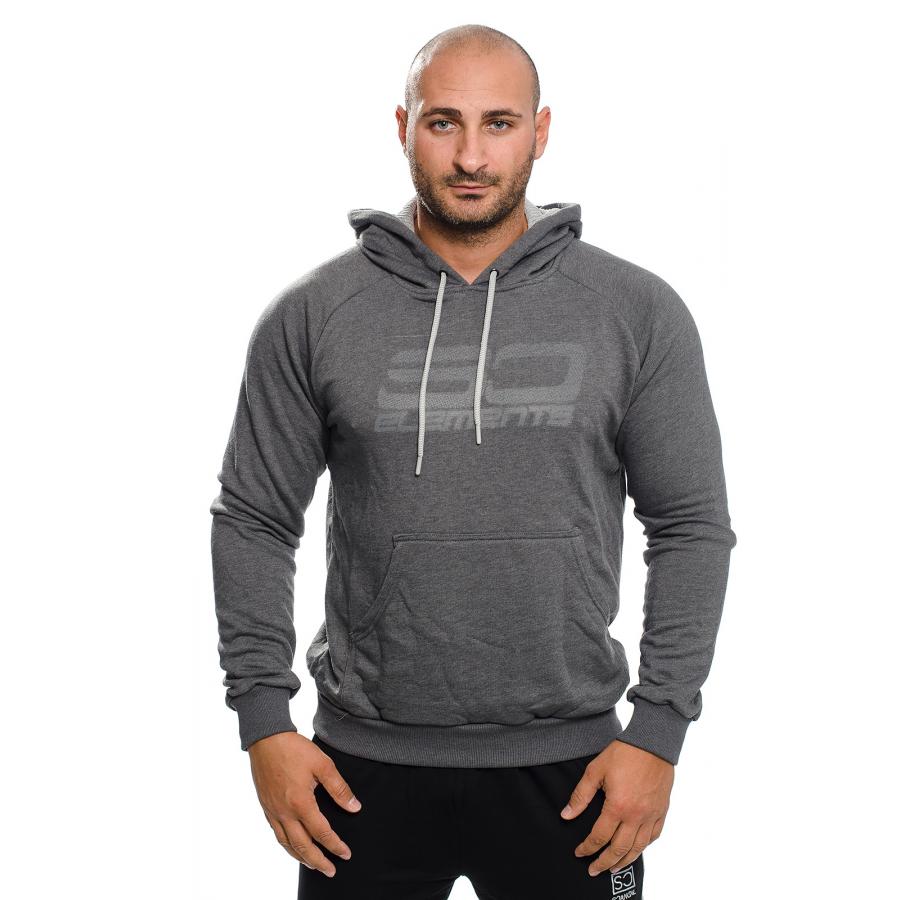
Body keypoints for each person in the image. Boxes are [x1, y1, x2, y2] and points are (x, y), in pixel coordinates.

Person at [209, 22, 737, 900]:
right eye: (443, 122)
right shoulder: (314, 314)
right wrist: (264, 723)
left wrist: (659, 730)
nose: (470, 156)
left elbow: (691, 527)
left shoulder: (635, 311)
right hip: (361, 770)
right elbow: (255, 519)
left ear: (540, 131)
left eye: (499, 123)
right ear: (403, 127)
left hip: (577, 771)